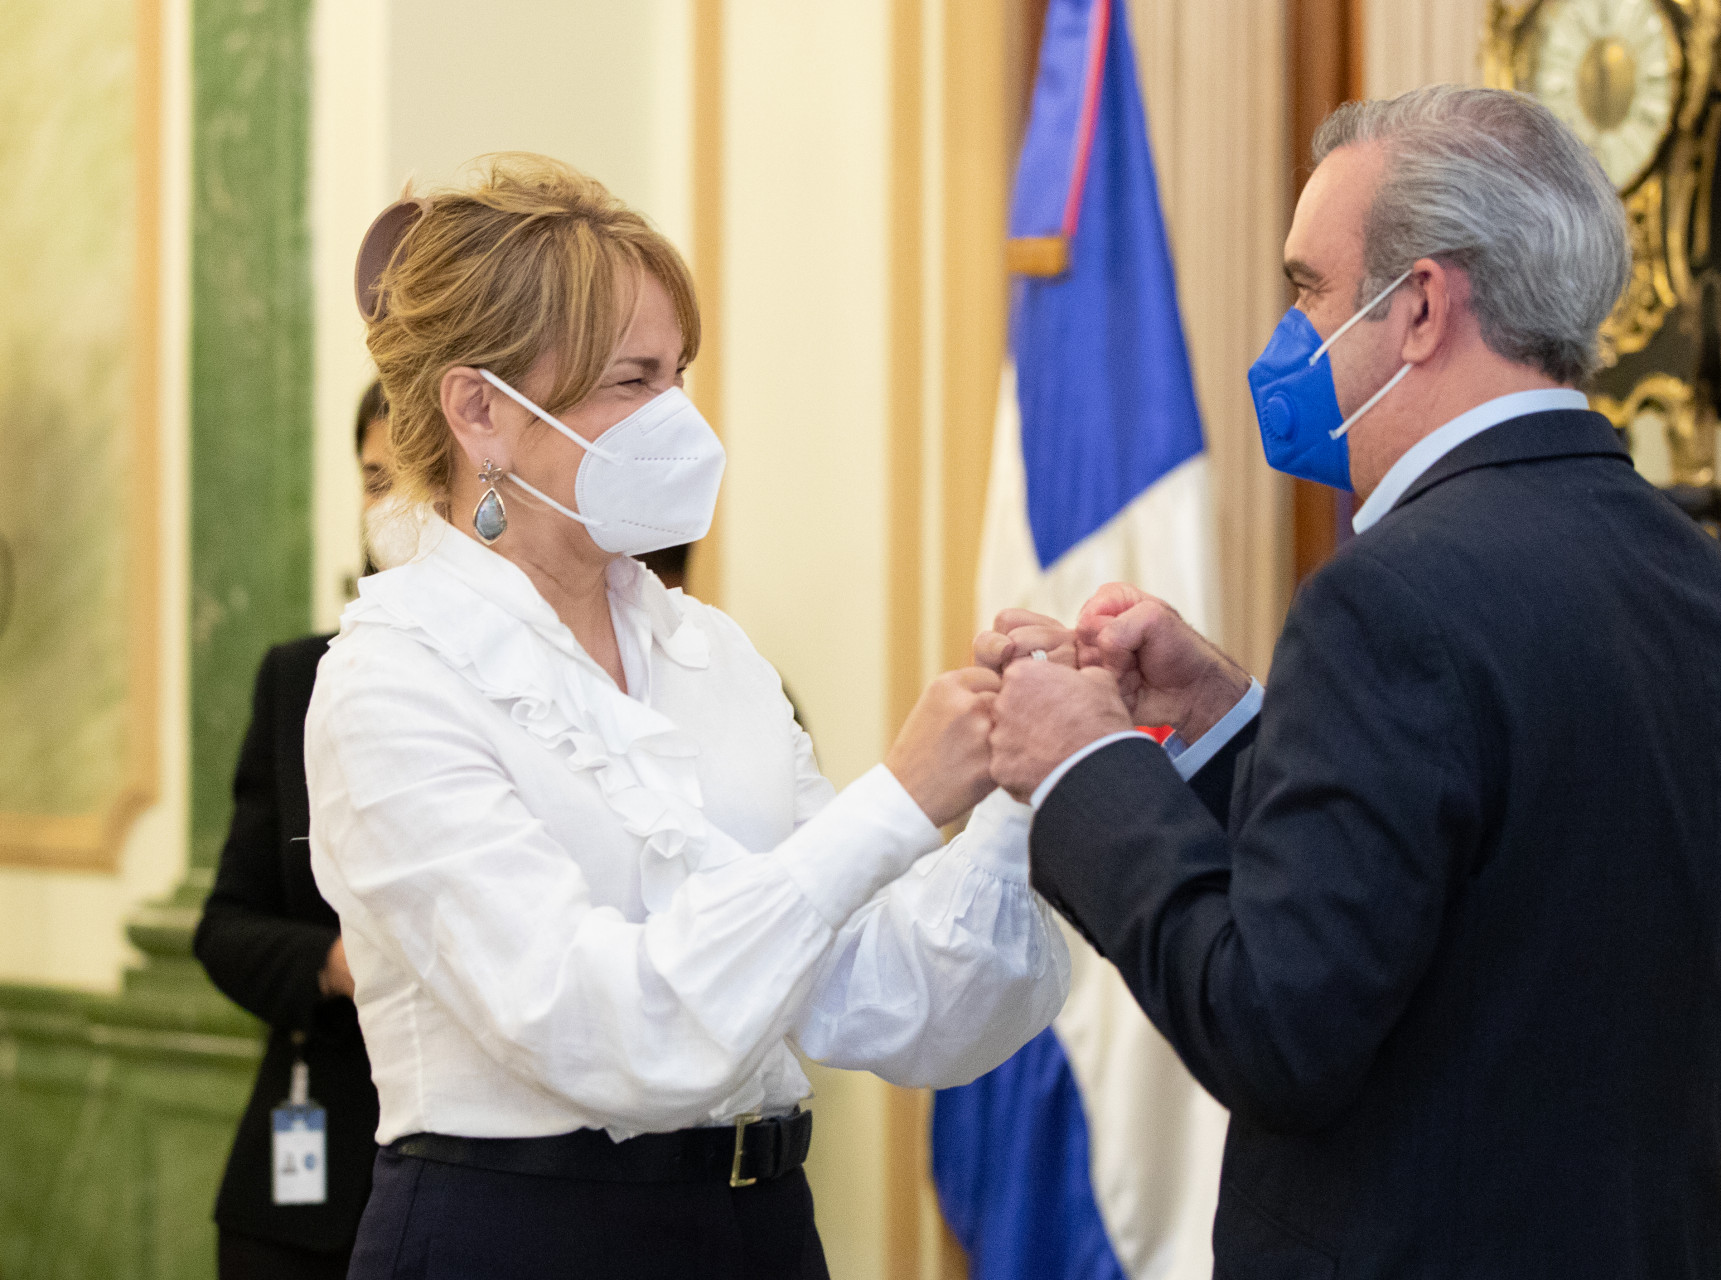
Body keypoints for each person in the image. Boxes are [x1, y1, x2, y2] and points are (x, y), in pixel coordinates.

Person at [983, 86, 1721, 1277]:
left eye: (1309, 288)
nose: (1289, 330)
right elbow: (1492, 891)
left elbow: (1275, 1027)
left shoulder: (1389, 594)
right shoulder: (1717, 588)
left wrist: (1087, 766)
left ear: (1418, 305)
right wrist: (1223, 721)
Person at [310, 154, 1067, 1280]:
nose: (677, 420)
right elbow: (604, 1028)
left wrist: (1016, 780)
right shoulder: (394, 677)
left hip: (760, 1231)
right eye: (633, 382)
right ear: (480, 410)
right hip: (520, 1239)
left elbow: (891, 1001)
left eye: (678, 376)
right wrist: (898, 802)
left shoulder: (710, 653)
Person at [195, 380, 394, 1280]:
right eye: (373, 480)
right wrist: (334, 963)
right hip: (305, 1182)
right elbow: (224, 928)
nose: (387, 508)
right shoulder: (299, 681)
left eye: (411, 479)